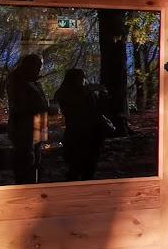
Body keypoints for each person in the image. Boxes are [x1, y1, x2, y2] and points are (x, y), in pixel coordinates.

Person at [55, 68, 108, 181]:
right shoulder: (66, 92)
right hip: (76, 134)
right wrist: (88, 90)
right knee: (75, 166)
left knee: (90, 165)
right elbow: (66, 99)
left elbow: (96, 109)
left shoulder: (88, 92)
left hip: (93, 134)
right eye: (79, 77)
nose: (83, 79)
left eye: (83, 77)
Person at [6, 54, 48, 184]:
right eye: (38, 65)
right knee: (26, 160)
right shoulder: (18, 81)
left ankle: (33, 184)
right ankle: (25, 187)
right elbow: (21, 105)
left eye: (40, 66)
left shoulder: (33, 81)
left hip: (38, 126)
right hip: (24, 128)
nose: (40, 69)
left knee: (36, 159)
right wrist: (43, 108)